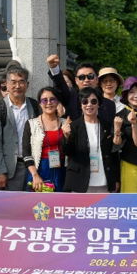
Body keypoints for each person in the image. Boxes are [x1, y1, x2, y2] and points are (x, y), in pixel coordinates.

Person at [47, 55, 118, 191]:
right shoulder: (71, 97)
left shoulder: (109, 105)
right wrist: (54, 68)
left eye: (90, 76)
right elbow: (61, 86)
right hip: (79, 167)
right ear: (76, 81)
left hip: (103, 169)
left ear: (96, 79)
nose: (86, 80)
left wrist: (115, 178)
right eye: (82, 77)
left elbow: (111, 145)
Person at [0, 66, 40, 191]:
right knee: (11, 208)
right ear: (6, 84)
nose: (18, 86)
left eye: (21, 81)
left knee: (33, 206)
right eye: (13, 82)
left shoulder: (35, 106)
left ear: (27, 85)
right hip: (10, 168)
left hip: (34, 165)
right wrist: (0, 171)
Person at [63, 87, 114, 194]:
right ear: (81, 105)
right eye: (85, 101)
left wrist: (116, 179)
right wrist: (66, 136)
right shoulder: (73, 126)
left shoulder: (108, 126)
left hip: (104, 180)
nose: (89, 105)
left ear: (99, 104)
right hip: (80, 180)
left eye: (93, 101)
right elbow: (67, 152)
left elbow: (113, 154)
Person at [23, 87, 69, 192]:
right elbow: (27, 154)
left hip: (62, 169)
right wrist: (34, 174)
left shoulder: (66, 123)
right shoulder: (31, 124)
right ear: (39, 103)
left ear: (57, 102)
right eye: (44, 100)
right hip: (39, 169)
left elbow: (72, 150)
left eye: (52, 99)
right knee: (39, 206)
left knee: (59, 205)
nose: (49, 103)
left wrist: (67, 136)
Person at [113, 77, 137, 193]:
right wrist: (117, 129)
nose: (136, 95)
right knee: (133, 201)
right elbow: (116, 143)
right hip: (130, 163)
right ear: (126, 95)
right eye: (132, 92)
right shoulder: (120, 116)